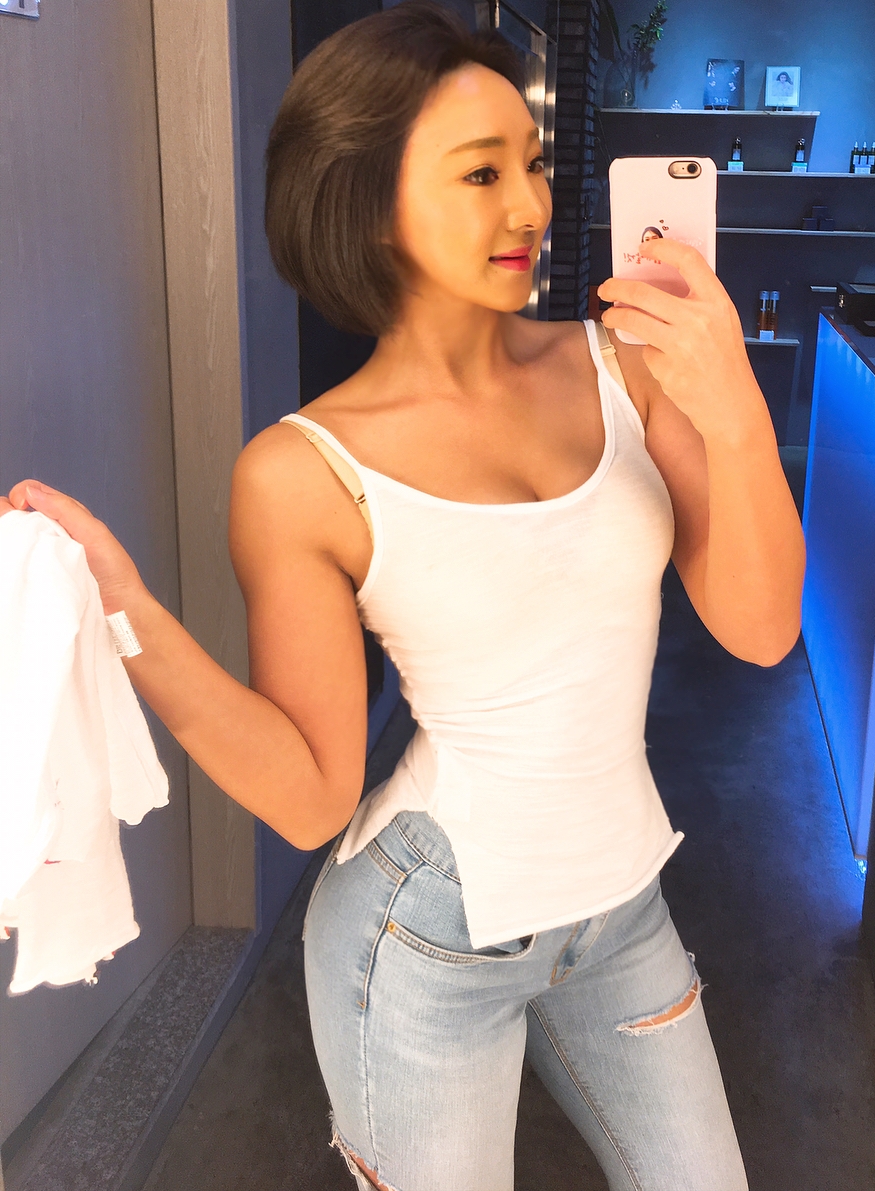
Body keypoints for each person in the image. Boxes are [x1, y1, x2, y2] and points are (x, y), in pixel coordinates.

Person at [2, 3, 804, 1188]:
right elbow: (312, 797)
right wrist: (127, 608)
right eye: (481, 173)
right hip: (424, 936)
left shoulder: (623, 365)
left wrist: (731, 405)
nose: (530, 206)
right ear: (369, 202)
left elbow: (762, 628)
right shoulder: (303, 472)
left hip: (622, 912)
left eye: (531, 163)